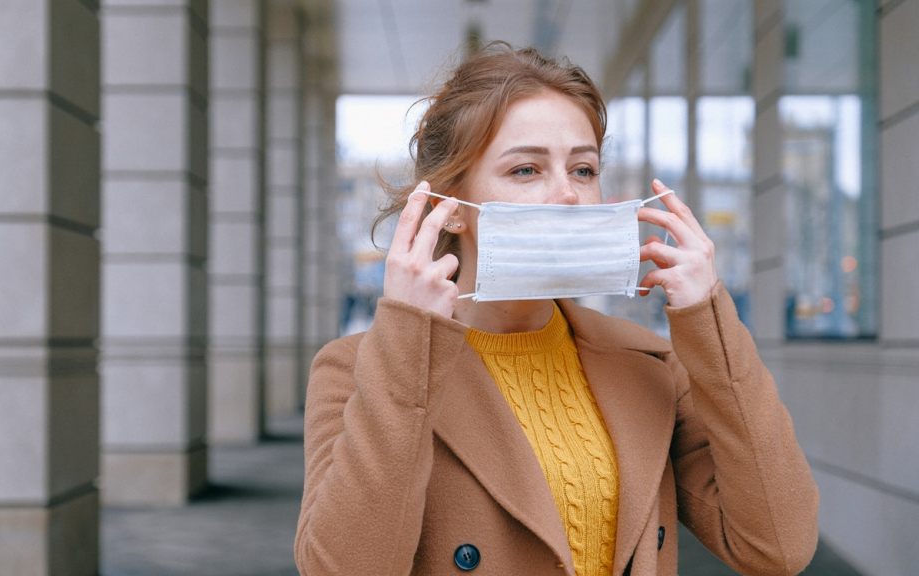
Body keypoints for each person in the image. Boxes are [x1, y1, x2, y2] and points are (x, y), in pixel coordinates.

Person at [295, 44, 818, 576]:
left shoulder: (649, 364)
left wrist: (710, 323)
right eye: (526, 169)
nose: (568, 195)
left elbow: (778, 545)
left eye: (584, 169)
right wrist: (408, 343)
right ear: (449, 207)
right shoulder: (357, 369)